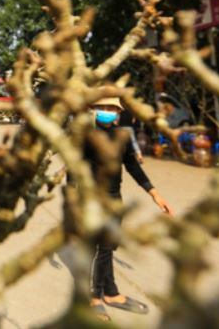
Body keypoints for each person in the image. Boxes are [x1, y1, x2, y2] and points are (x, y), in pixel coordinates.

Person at [83, 97, 174, 321]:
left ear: (118, 112)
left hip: (115, 197)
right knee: (103, 248)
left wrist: (154, 193)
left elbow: (132, 166)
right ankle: (95, 299)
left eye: (111, 108)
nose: (106, 111)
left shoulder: (121, 136)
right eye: (102, 107)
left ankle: (111, 291)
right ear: (93, 110)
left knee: (110, 245)